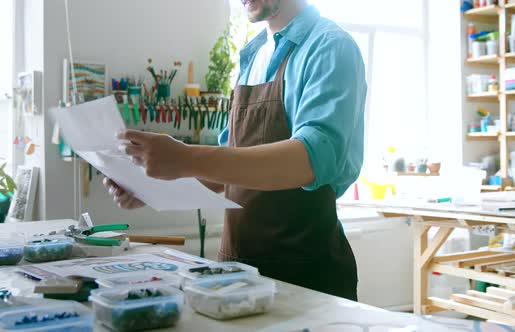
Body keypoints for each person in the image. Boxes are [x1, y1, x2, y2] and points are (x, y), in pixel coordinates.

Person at [104, 0, 366, 301]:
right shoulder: (252, 55)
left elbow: (310, 159)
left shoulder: (331, 47)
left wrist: (185, 157)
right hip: (238, 273)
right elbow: (224, 170)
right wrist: (149, 188)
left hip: (306, 275)